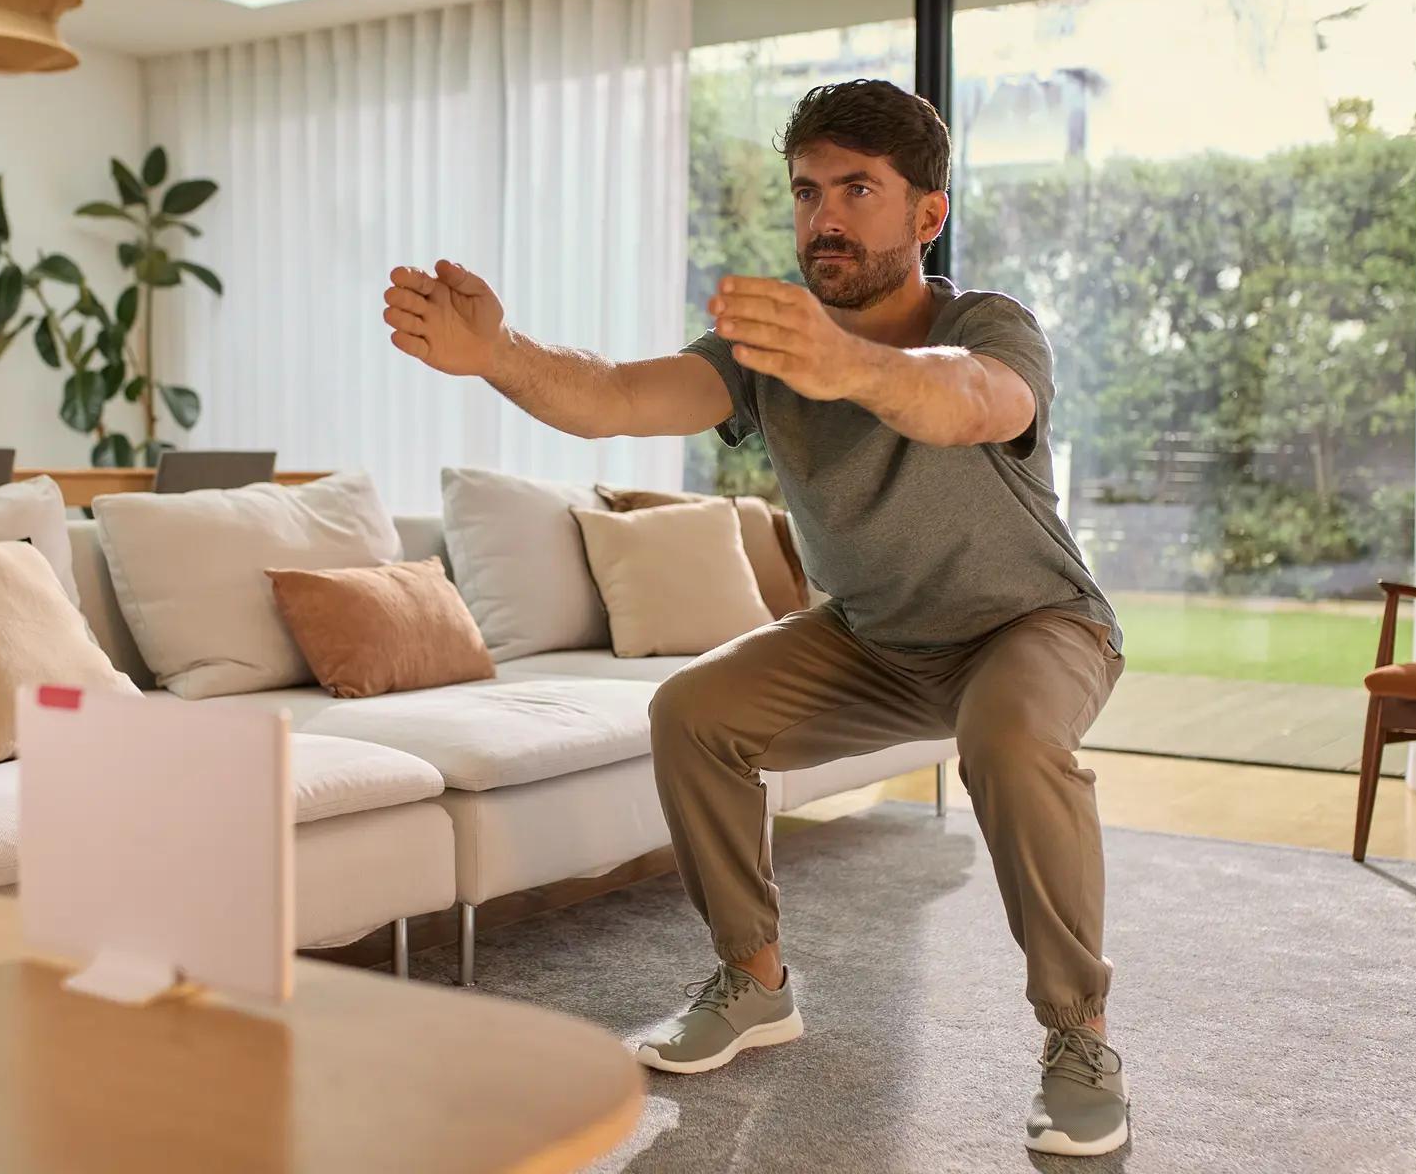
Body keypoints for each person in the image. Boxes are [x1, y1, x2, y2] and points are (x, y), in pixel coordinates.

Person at [379, 78, 1129, 1158]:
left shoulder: (986, 324)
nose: (824, 216)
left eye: (858, 189)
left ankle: (1080, 1036)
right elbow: (614, 394)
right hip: (873, 636)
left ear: (928, 213)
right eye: (807, 190)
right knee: (693, 710)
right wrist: (499, 353)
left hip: (1032, 625)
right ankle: (756, 978)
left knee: (1008, 738)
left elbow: (972, 399)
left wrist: (850, 364)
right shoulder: (767, 352)